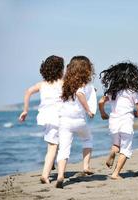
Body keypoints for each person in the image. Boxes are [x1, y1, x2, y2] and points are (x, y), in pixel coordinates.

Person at [18, 55, 64, 184]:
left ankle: (51, 163)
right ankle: (45, 174)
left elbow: (28, 91)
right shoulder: (63, 83)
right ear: (60, 70)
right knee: (53, 146)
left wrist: (25, 110)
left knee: (54, 143)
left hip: (45, 117)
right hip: (58, 117)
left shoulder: (41, 84)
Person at [56, 56, 97, 188]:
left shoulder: (65, 82)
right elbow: (80, 94)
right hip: (79, 120)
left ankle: (60, 175)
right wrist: (88, 110)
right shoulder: (83, 83)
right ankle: (86, 166)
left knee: (64, 149)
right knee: (88, 139)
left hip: (64, 121)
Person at [99, 61, 138, 180]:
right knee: (126, 149)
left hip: (113, 121)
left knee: (116, 145)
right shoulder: (133, 91)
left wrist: (103, 113)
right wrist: (137, 113)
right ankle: (115, 173)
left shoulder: (112, 91)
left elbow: (101, 102)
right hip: (126, 122)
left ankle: (112, 153)